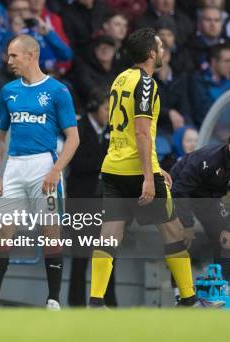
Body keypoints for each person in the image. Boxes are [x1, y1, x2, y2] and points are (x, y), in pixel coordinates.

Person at [88, 28, 223, 308]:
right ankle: (189, 300)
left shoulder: (120, 79)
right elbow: (141, 132)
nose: (162, 52)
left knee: (110, 234)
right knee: (174, 233)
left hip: (113, 167)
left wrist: (154, 167)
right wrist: (149, 176)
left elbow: (121, 131)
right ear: (151, 53)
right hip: (137, 172)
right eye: (160, 47)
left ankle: (96, 300)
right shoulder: (146, 83)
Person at [0, 34, 80, 310]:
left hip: (43, 166)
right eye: (8, 55)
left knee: (51, 234)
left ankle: (53, 300)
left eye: (14, 55)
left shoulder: (58, 91)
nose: (8, 60)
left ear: (31, 56)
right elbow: (0, 135)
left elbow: (73, 138)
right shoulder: (8, 91)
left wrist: (57, 170)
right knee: (0, 233)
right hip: (14, 167)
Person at [66, 88, 117, 307]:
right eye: (107, 108)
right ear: (95, 107)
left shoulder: (113, 131)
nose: (109, 113)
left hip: (105, 203)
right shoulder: (77, 129)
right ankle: (76, 304)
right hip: (81, 203)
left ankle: (109, 303)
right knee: (80, 258)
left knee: (108, 256)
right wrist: (105, 163)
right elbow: (76, 164)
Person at [171, 138, 230, 281]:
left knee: (224, 241)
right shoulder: (208, 159)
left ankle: (223, 287)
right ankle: (180, 294)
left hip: (209, 197)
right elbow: (179, 191)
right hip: (179, 192)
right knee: (181, 238)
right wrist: (187, 224)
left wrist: (228, 227)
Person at [190, 43, 230, 127]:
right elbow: (202, 112)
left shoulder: (227, 80)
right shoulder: (199, 80)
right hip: (208, 131)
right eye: (226, 61)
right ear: (214, 62)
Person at [189, 6, 227, 71]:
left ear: (221, 24)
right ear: (199, 24)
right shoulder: (188, 48)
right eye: (208, 20)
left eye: (217, 20)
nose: (213, 24)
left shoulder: (228, 46)